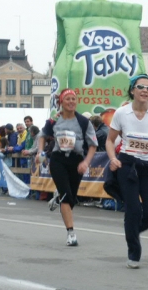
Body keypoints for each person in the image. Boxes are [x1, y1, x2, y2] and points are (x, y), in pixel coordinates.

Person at [105, 74, 148, 269]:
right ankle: (134, 251)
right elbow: (109, 140)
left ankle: (131, 231)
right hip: (128, 165)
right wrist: (113, 159)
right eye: (140, 86)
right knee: (133, 210)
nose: (145, 90)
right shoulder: (121, 113)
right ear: (132, 90)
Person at [36, 88, 98, 246]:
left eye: (73, 99)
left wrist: (86, 162)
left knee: (71, 199)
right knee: (67, 197)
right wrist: (40, 152)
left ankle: (58, 197)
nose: (71, 102)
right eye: (68, 99)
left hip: (76, 161)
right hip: (58, 160)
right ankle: (71, 233)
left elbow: (93, 145)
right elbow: (42, 136)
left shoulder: (84, 122)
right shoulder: (54, 121)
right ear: (61, 102)